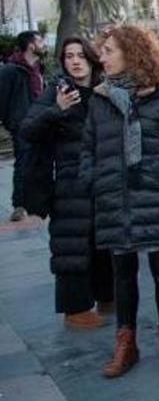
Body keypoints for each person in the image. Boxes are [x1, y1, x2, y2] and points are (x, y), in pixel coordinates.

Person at [81, 26, 159, 378]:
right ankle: (126, 344)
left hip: (156, 196)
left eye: (109, 50)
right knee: (122, 273)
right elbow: (88, 148)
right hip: (114, 199)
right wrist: (93, 180)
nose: (101, 57)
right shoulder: (100, 99)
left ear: (131, 53)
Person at [20, 37, 114, 328]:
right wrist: (57, 109)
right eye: (69, 56)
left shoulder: (104, 90)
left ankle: (107, 297)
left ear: (91, 59)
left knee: (104, 242)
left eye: (80, 55)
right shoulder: (57, 92)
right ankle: (75, 310)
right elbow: (28, 129)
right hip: (70, 184)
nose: (75, 61)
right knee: (72, 245)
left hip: (103, 180)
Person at [0, 30, 46, 221]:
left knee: (38, 162)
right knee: (23, 163)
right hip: (21, 124)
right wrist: (10, 122)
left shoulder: (36, 68)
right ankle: (19, 205)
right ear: (30, 45)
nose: (43, 44)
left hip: (40, 122)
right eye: (40, 41)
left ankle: (36, 201)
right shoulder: (11, 70)